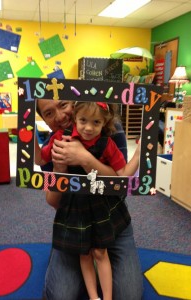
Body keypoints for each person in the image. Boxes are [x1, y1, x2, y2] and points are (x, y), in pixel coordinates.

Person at [35, 99, 143, 300]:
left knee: (130, 295)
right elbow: (53, 200)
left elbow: (119, 186)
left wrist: (86, 160)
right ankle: (66, 254)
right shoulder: (56, 140)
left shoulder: (109, 128)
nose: (59, 116)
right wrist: (60, 169)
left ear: (74, 104)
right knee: (60, 295)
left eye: (63, 105)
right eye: (49, 113)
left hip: (109, 216)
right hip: (74, 219)